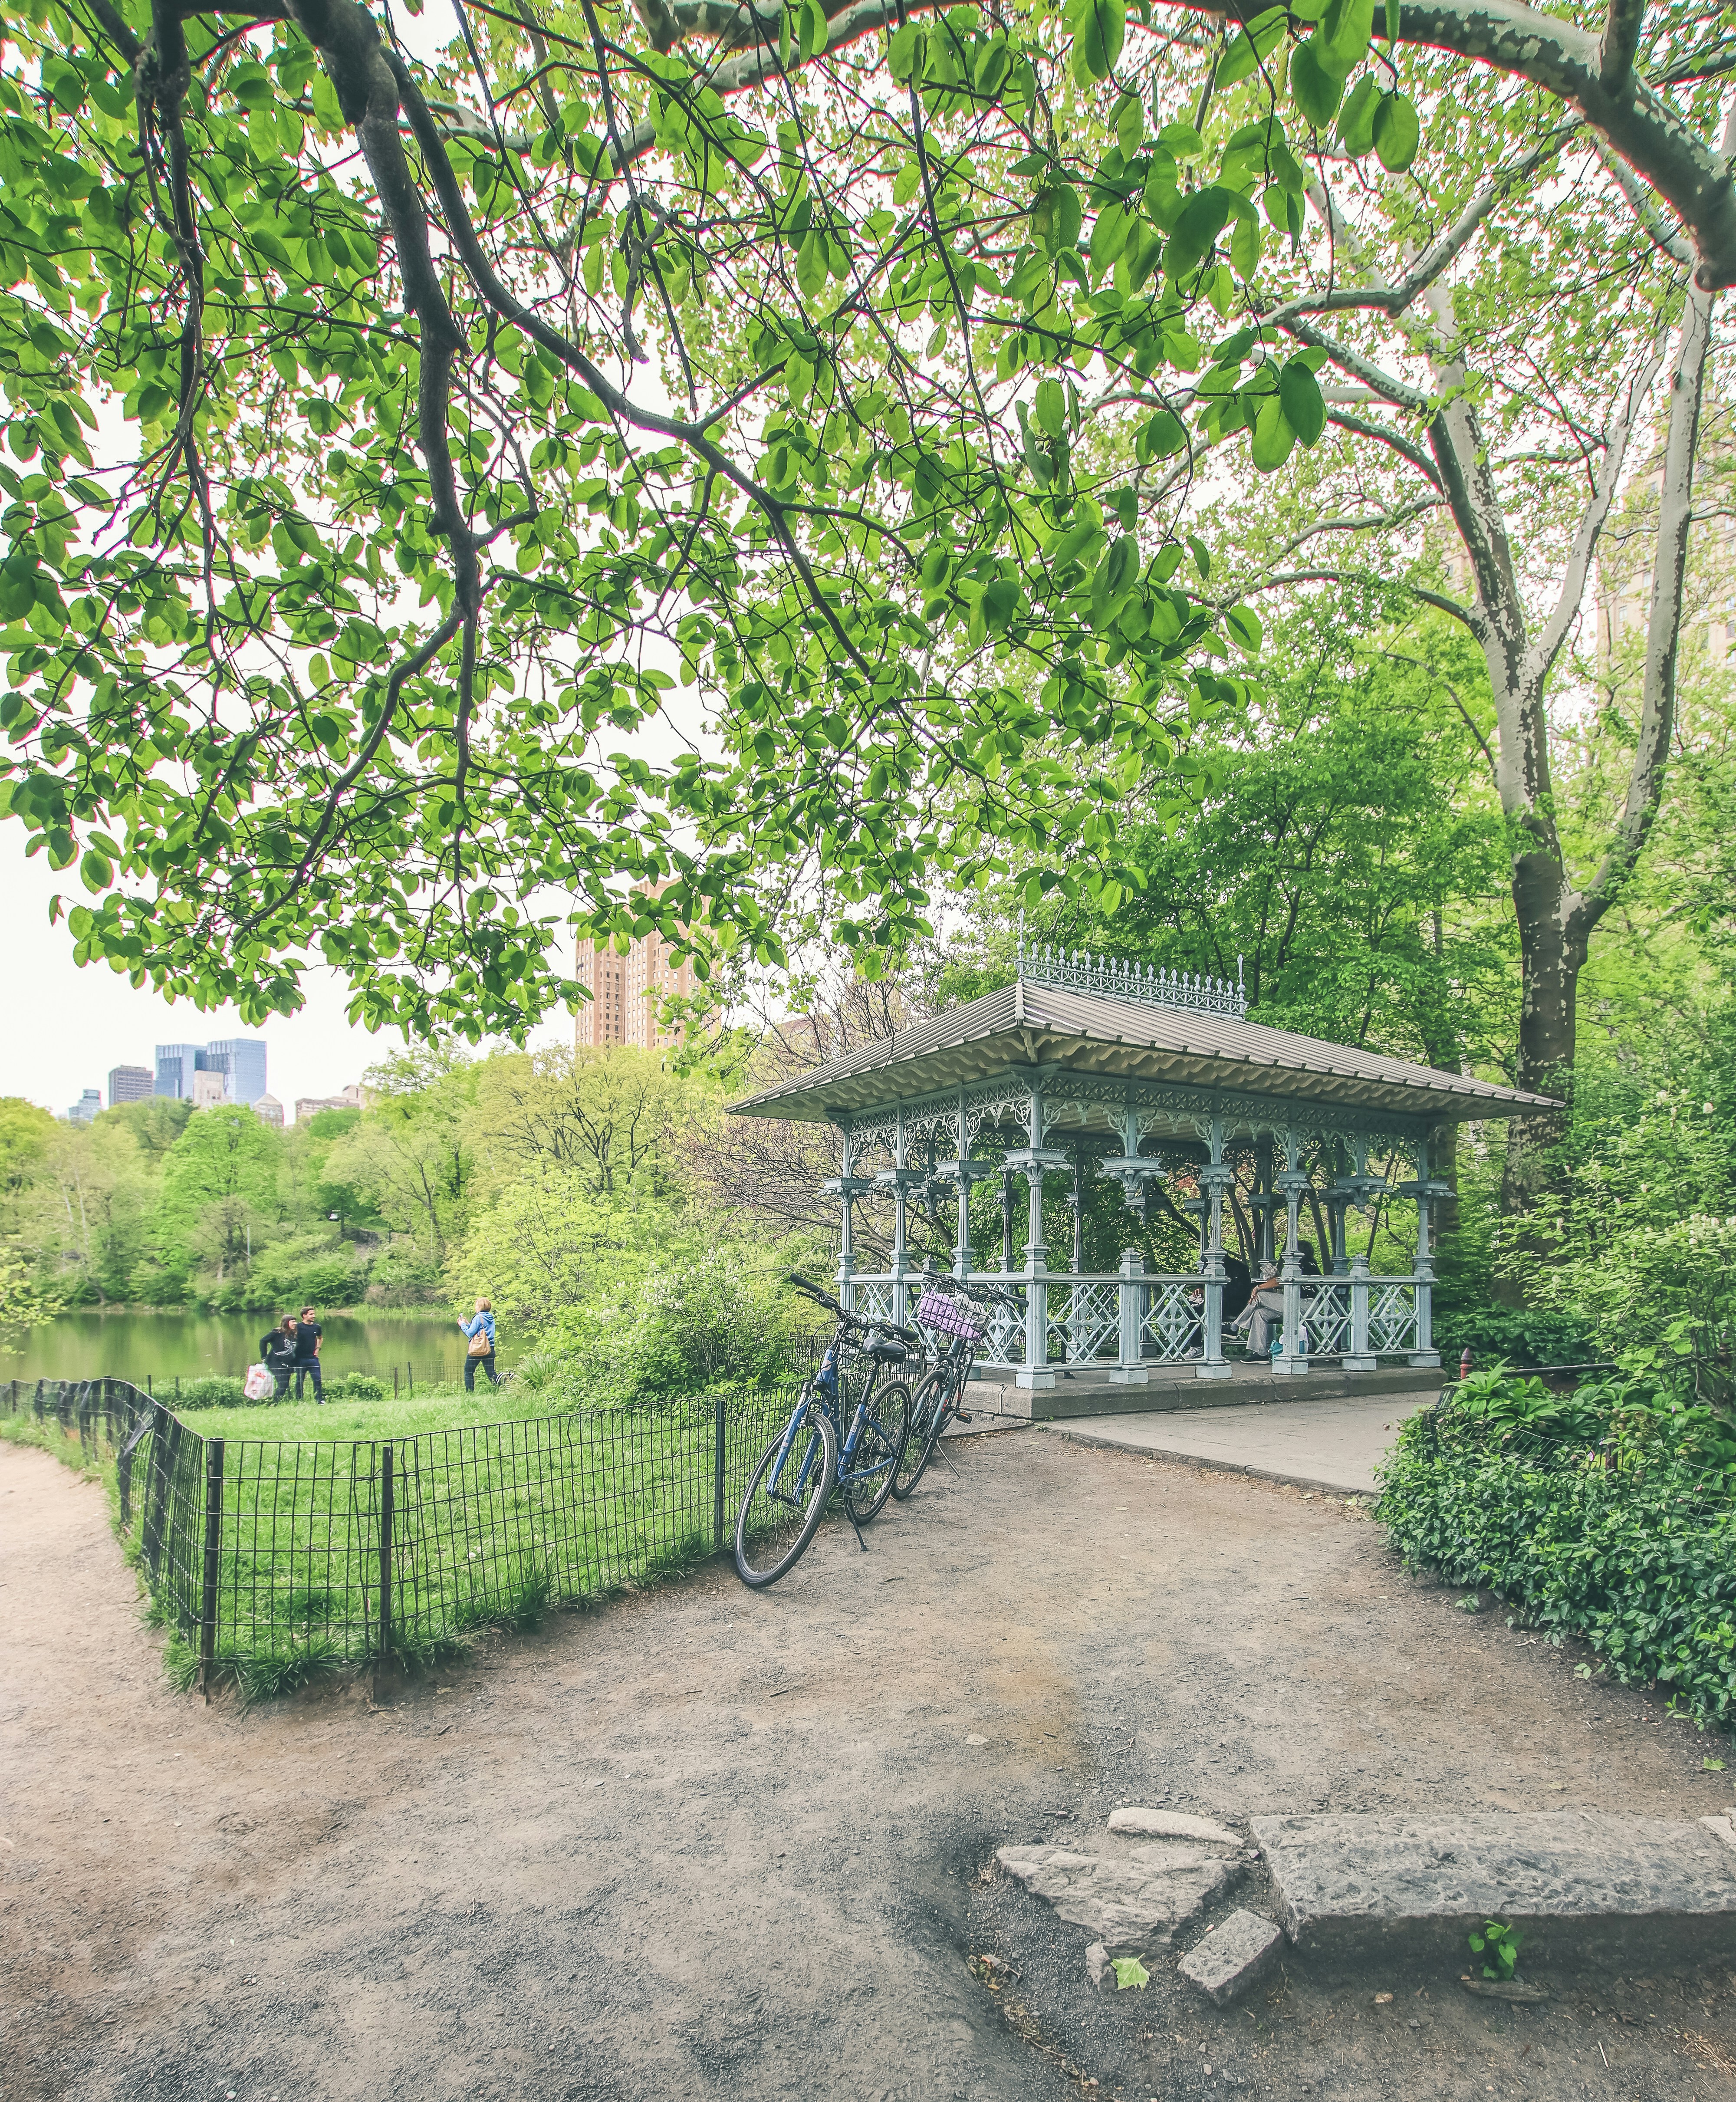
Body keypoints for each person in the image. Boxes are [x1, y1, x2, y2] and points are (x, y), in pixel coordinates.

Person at [1228, 1263, 1284, 1356]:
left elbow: (1279, 1281)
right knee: (1259, 1313)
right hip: (1288, 1305)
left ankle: (1234, 1327)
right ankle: (1261, 1353)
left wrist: (1258, 1288)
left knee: (1259, 1296)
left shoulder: (1299, 1264)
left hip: (1305, 1304)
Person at [460, 1298, 497, 1389]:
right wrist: (468, 1324)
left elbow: (470, 1334)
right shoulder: (491, 1318)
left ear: (481, 1306)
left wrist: (462, 1325)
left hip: (478, 1349)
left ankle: (470, 1394)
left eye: (476, 1306)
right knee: (491, 1373)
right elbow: (481, 1331)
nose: (475, 1308)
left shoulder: (478, 1317)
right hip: (490, 1349)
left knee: (468, 1371)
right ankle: (502, 1388)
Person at [259, 1316, 298, 1400]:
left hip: (288, 1364)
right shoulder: (277, 1333)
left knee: (286, 1384)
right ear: (286, 1323)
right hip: (275, 1363)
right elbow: (263, 1341)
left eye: (296, 1322)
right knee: (283, 1384)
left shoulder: (294, 1334)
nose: (295, 1323)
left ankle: (280, 1401)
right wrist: (264, 1356)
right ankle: (275, 1403)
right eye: (293, 1322)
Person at [293, 1304, 324, 1403]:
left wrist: (318, 1349)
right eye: (311, 1314)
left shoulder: (317, 1327)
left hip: (313, 1359)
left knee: (317, 1379)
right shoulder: (297, 1327)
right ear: (304, 1316)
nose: (314, 1316)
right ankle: (299, 1400)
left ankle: (319, 1400)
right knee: (299, 1381)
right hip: (300, 1359)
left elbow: (320, 1338)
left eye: (314, 1314)